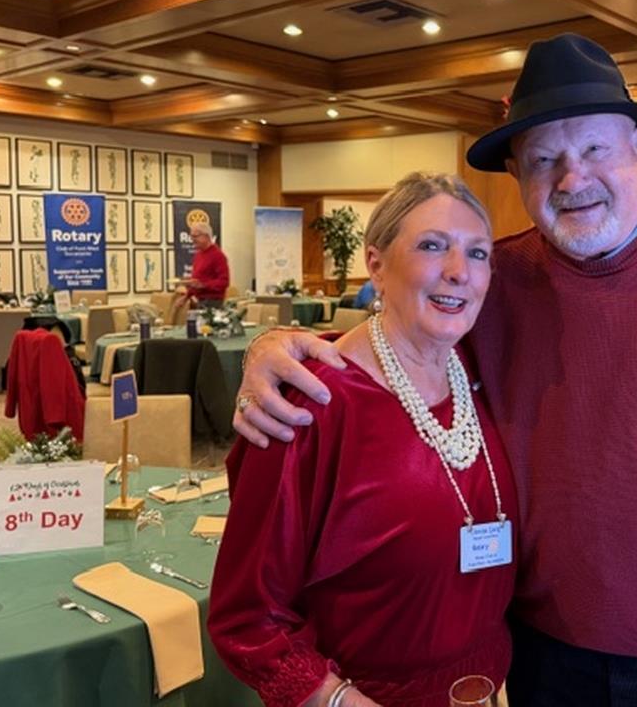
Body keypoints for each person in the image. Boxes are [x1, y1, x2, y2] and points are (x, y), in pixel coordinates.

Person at [233, 33, 637, 706]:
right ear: (517, 174)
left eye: (594, 150)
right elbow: (404, 346)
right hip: (547, 659)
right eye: (544, 160)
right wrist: (277, 347)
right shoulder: (500, 280)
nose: (571, 180)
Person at [208, 173, 517, 707]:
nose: (459, 271)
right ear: (376, 263)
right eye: (432, 245)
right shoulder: (309, 404)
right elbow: (250, 618)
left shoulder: (480, 374)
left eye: (478, 253)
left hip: (487, 690)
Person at [179, 221, 229, 309]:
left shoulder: (218, 256)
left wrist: (203, 285)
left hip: (213, 303)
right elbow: (197, 281)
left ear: (206, 236)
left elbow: (224, 282)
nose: (192, 239)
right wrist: (186, 297)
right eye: (191, 236)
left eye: (195, 236)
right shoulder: (198, 255)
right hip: (200, 301)